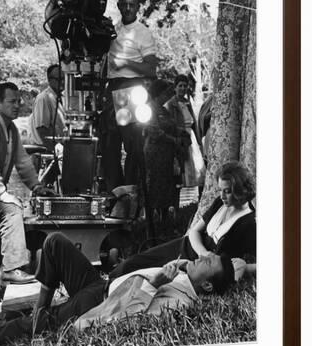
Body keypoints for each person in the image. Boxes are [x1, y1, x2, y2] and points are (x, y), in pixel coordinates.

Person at [0, 231, 236, 344]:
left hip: (98, 303)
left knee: (36, 324)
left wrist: (154, 283)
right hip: (101, 284)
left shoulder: (180, 303)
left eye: (208, 262)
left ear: (207, 285)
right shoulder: (182, 274)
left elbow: (129, 317)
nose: (203, 257)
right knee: (54, 242)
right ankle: (39, 312)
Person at [109, 160, 256, 279]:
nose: (222, 196)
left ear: (240, 190)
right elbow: (195, 231)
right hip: (184, 246)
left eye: (228, 191)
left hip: (195, 268)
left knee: (141, 276)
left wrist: (241, 269)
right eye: (220, 190)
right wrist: (203, 252)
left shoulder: (249, 222)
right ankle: (103, 288)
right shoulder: (221, 202)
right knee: (130, 264)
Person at [0, 82, 51, 287]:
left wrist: (37, 186)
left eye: (18, 101)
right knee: (13, 208)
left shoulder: (11, 128)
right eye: (11, 101)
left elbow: (22, 161)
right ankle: (11, 270)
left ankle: (2, 272)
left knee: (15, 206)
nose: (17, 106)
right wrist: (3, 194)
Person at [100, 0, 158, 192]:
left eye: (132, 4)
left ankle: (131, 192)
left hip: (132, 88)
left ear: (138, 7)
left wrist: (126, 63)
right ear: (118, 5)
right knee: (109, 145)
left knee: (132, 146)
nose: (127, 8)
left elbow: (151, 68)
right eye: (123, 4)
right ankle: (114, 191)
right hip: (112, 87)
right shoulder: (112, 30)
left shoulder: (143, 33)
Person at [143, 79, 178, 231]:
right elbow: (154, 131)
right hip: (155, 153)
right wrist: (173, 140)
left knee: (166, 184)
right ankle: (152, 216)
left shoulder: (164, 110)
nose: (168, 96)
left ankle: (164, 215)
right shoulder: (150, 109)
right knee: (155, 183)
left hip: (167, 154)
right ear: (158, 94)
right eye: (166, 93)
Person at [165, 74, 205, 190]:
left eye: (185, 86)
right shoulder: (170, 104)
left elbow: (194, 122)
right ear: (175, 87)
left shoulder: (188, 102)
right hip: (180, 138)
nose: (183, 88)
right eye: (180, 86)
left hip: (190, 136)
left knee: (196, 167)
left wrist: (198, 140)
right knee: (181, 168)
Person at [28, 64, 66, 151]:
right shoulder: (44, 98)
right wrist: (53, 150)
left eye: (64, 79)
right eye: (59, 79)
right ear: (49, 80)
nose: (62, 82)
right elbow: (42, 129)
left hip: (58, 148)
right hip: (46, 150)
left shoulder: (59, 98)